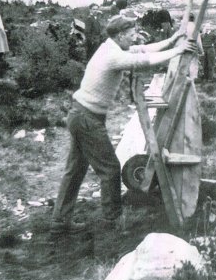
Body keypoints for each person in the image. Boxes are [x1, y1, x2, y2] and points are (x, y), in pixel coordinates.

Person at [51, 15, 197, 237]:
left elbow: (143, 50)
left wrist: (173, 39)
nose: (134, 37)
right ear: (120, 35)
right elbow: (144, 61)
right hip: (86, 118)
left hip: (81, 114)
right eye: (131, 34)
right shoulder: (113, 56)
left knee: (75, 170)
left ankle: (60, 222)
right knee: (110, 170)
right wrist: (178, 51)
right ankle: (112, 223)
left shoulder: (112, 48)